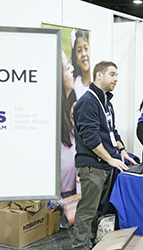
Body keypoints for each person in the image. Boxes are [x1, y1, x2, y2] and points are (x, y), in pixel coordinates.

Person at [72, 61, 137, 250]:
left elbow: (111, 131)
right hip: (93, 165)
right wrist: (110, 158)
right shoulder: (87, 102)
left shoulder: (105, 102)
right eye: (112, 74)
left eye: (117, 74)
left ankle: (91, 242)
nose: (116, 78)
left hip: (106, 164)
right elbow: (90, 138)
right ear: (99, 75)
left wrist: (122, 151)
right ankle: (79, 247)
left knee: (98, 210)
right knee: (87, 211)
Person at [60, 51, 77, 198]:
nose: (72, 69)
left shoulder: (68, 108)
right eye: (67, 67)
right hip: (58, 197)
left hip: (73, 191)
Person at [71, 29, 91, 100]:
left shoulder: (98, 83)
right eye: (79, 50)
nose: (83, 54)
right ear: (76, 60)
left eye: (86, 48)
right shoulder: (74, 83)